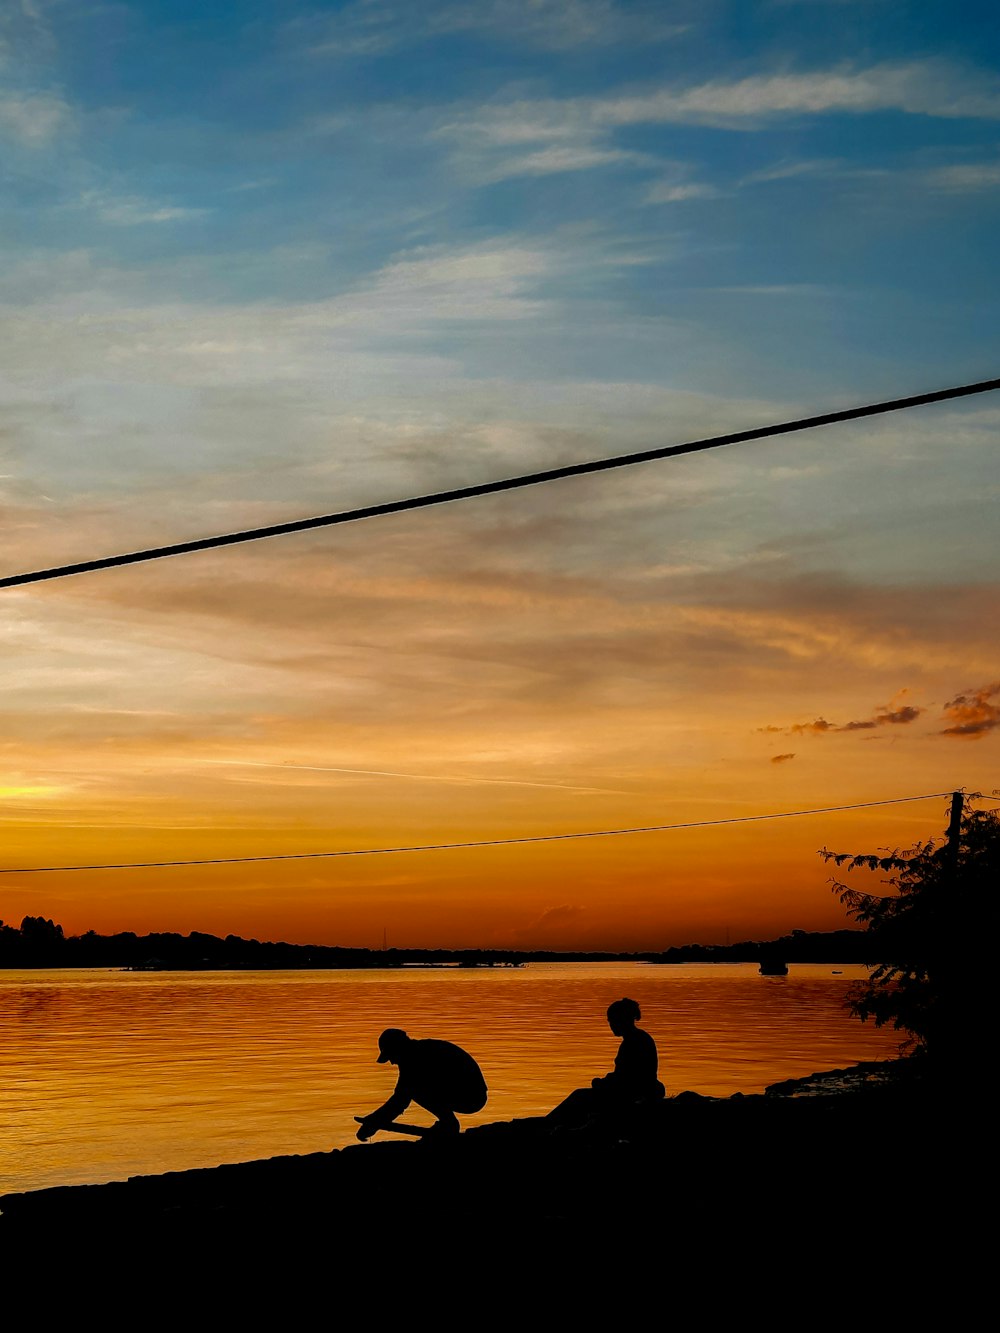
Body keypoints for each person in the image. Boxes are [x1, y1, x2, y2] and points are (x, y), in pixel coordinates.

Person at [545, 997, 665, 1130]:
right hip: (635, 1089)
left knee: (579, 1096)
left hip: (632, 1093)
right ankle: (551, 1123)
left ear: (622, 1019)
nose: (611, 1024)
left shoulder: (634, 1042)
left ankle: (547, 1124)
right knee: (581, 1095)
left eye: (612, 1020)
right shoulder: (637, 1038)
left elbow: (627, 1078)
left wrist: (602, 1083)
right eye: (609, 1021)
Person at [355, 1027, 488, 1140]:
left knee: (413, 1090)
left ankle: (449, 1123)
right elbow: (399, 1100)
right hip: (471, 1093)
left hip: (471, 1097)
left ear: (398, 1048)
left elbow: (399, 1101)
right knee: (412, 1088)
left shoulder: (414, 1060)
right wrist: (374, 1121)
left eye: (391, 1056)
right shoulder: (419, 1050)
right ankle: (447, 1122)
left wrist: (372, 1124)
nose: (392, 1062)